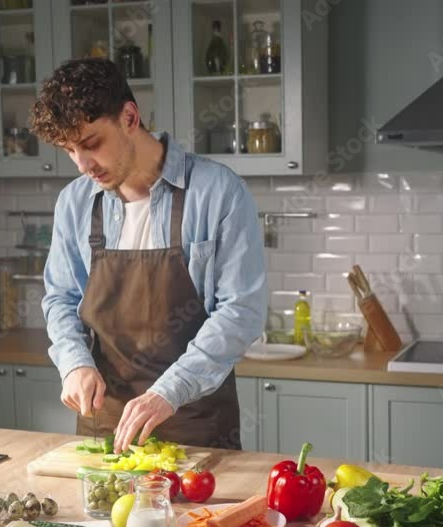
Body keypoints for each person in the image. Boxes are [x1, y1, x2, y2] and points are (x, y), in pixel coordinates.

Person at [29, 58, 267, 453]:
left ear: (129, 117)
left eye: (90, 144)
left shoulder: (217, 192)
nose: (83, 165)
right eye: (69, 150)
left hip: (196, 426)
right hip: (105, 427)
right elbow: (61, 298)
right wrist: (74, 363)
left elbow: (241, 310)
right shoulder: (74, 202)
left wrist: (168, 392)